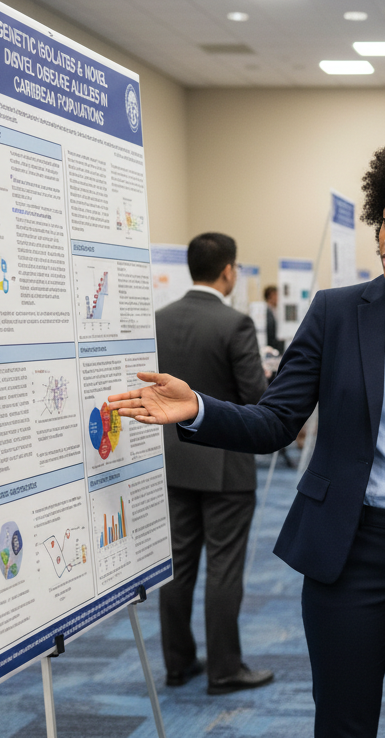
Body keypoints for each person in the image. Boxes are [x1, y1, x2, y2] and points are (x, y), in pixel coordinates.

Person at [107, 133, 385, 737]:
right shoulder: (336, 313)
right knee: (343, 723)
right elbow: (275, 421)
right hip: (350, 550)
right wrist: (198, 408)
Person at [156, 233, 273, 695]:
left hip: (174, 462)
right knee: (223, 568)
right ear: (228, 270)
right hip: (225, 466)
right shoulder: (235, 323)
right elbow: (256, 399)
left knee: (178, 565)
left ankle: (177, 663)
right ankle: (224, 669)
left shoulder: (159, 319)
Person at [264, 285, 285, 356]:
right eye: (276, 295)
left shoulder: (277, 311)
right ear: (270, 296)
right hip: (270, 349)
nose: (278, 298)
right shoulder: (265, 313)